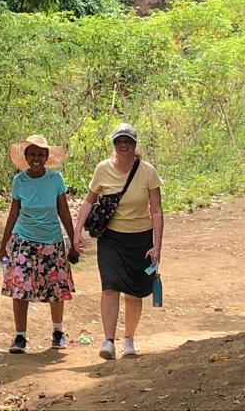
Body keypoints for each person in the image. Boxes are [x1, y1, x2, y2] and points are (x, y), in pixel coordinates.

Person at [74, 123, 164, 360]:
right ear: (114, 144)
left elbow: (156, 211)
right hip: (111, 238)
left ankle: (129, 339)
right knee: (110, 287)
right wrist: (77, 230)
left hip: (140, 237)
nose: (123, 145)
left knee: (134, 293)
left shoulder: (148, 172)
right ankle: (108, 341)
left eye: (128, 141)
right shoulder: (103, 169)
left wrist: (157, 245)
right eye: (119, 141)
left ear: (135, 145)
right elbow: (89, 200)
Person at [0, 134, 78, 354]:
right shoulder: (19, 181)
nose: (36, 158)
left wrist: (73, 241)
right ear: (26, 157)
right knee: (20, 287)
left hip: (51, 240)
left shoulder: (55, 179)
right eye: (32, 154)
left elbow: (63, 211)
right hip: (23, 240)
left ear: (46, 157)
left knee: (55, 288)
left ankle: (58, 332)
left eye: (41, 154)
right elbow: (13, 213)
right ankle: (20, 336)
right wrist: (3, 244)